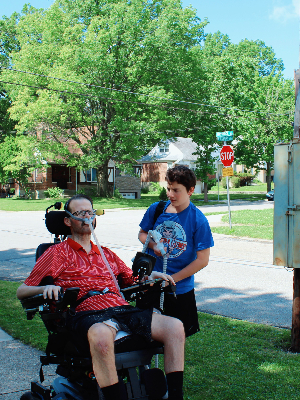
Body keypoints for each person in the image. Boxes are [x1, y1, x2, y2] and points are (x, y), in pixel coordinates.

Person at [17, 194, 185, 400]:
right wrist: (45, 288)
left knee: (175, 327)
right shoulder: (56, 253)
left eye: (90, 212)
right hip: (85, 312)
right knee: (101, 335)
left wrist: (150, 277)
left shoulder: (105, 253)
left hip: (120, 308)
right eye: (80, 213)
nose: (87, 216)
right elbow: (22, 290)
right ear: (68, 221)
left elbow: (131, 280)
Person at [138, 165, 214, 337]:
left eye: (176, 190)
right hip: (150, 283)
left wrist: (171, 281)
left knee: (177, 338)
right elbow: (142, 234)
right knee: (144, 336)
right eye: (169, 189)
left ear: (191, 190)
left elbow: (202, 260)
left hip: (179, 290)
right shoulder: (157, 210)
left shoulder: (198, 220)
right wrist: (153, 246)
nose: (170, 194)